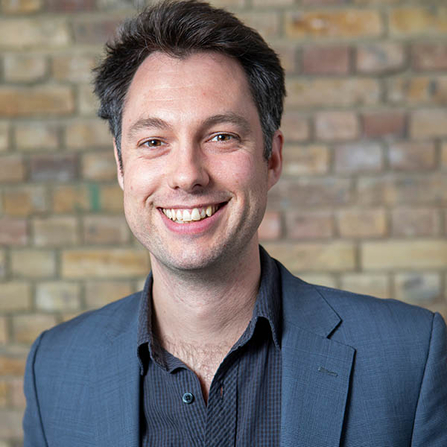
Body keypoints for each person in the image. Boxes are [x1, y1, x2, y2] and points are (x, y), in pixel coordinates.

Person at [23, 1, 447, 445]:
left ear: (273, 157)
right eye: (153, 141)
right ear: (121, 166)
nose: (187, 174)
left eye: (221, 136)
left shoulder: (409, 358)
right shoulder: (53, 371)